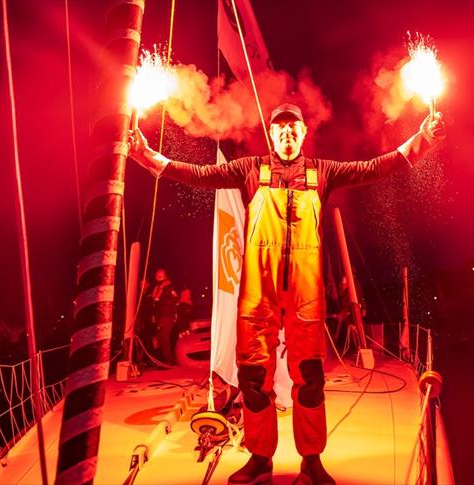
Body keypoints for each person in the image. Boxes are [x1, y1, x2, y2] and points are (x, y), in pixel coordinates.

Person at [129, 103, 445, 485]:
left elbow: (374, 168)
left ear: (303, 133)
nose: (287, 134)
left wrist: (420, 142)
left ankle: (311, 460)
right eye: (280, 129)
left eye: (293, 127)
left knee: (309, 378)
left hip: (305, 293)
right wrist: (148, 157)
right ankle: (260, 459)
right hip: (257, 294)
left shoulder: (321, 172)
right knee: (252, 378)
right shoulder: (249, 169)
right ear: (272, 135)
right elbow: (199, 174)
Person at [151, 268, 179, 365]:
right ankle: (164, 360)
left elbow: (176, 299)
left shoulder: (169, 287)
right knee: (159, 338)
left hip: (167, 315)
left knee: (164, 337)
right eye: (157, 276)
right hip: (159, 316)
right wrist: (154, 315)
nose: (159, 278)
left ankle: (169, 361)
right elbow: (154, 302)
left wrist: (162, 302)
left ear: (165, 276)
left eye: (161, 276)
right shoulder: (156, 288)